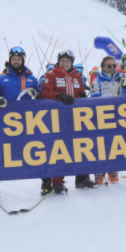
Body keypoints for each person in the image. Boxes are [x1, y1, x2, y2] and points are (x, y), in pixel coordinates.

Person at [0, 46, 41, 198]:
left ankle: (46, 180)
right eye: (14, 59)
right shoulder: (2, 78)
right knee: (1, 152)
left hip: (28, 122)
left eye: (19, 59)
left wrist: (36, 94)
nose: (16, 61)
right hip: (7, 123)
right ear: (10, 60)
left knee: (37, 150)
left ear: (23, 60)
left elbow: (41, 98)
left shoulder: (32, 78)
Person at [40, 49, 91, 191]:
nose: (65, 63)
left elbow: (81, 95)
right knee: (59, 149)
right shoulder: (51, 75)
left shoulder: (78, 77)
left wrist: (82, 96)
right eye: (62, 60)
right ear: (58, 61)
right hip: (57, 119)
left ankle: (83, 178)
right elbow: (44, 93)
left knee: (81, 146)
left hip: (76, 118)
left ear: (72, 62)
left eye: (68, 61)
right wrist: (59, 96)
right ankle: (57, 182)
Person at [89, 56, 126, 184]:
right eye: (109, 66)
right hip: (102, 117)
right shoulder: (97, 81)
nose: (112, 69)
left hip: (118, 117)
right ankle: (99, 171)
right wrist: (105, 100)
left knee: (116, 144)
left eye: (114, 66)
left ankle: (113, 169)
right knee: (102, 144)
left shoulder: (121, 78)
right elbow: (94, 98)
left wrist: (125, 86)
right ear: (103, 67)